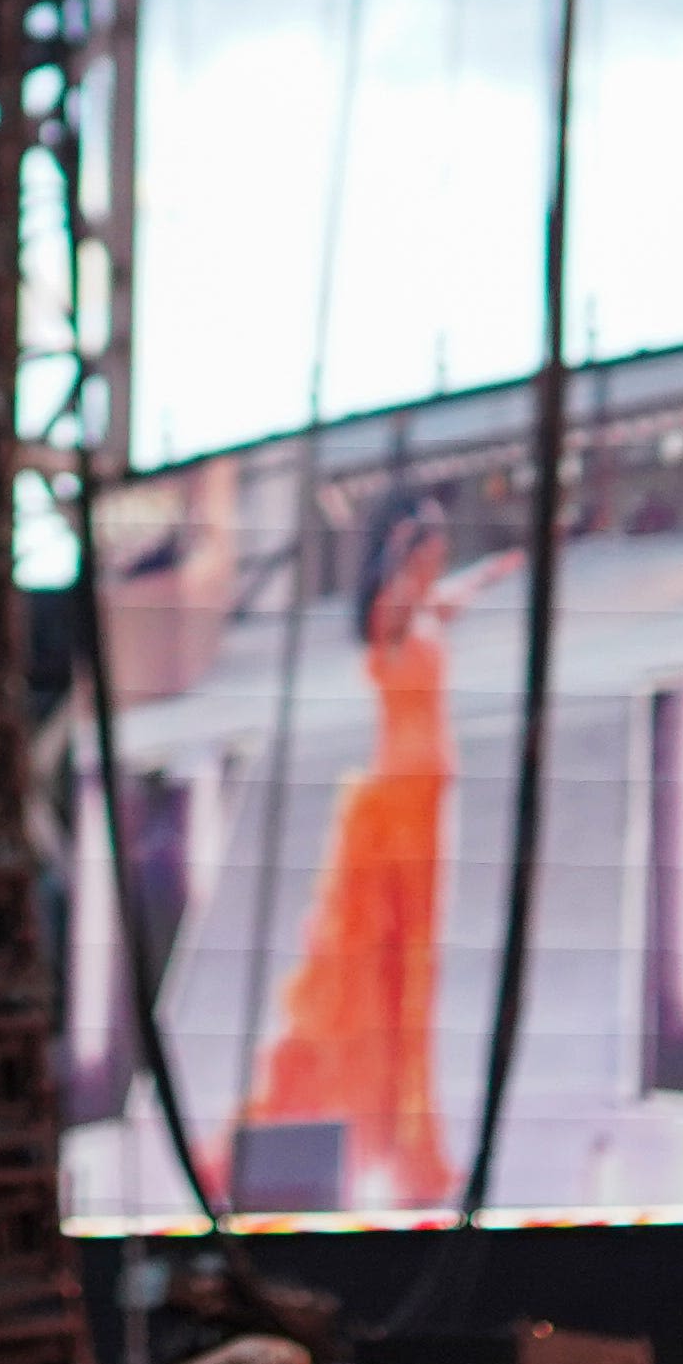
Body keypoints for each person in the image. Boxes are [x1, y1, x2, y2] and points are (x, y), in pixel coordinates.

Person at [238, 518, 518, 1213]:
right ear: (412, 553)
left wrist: (492, 572)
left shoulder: (422, 609)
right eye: (432, 555)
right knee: (376, 967)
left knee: (415, 978)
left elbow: (451, 598)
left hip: (426, 801)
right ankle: (363, 1136)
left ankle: (407, 1142)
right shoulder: (393, 610)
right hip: (394, 803)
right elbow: (400, 613)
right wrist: (413, 574)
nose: (439, 566)